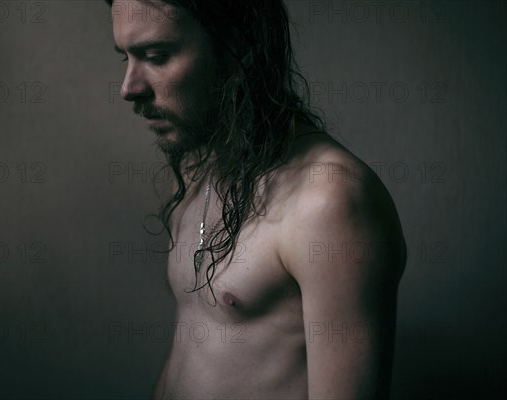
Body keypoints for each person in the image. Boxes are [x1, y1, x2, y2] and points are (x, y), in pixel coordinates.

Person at [108, 0, 407, 398]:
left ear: (238, 44)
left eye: (157, 56)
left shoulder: (330, 200)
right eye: (125, 57)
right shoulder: (203, 169)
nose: (129, 88)